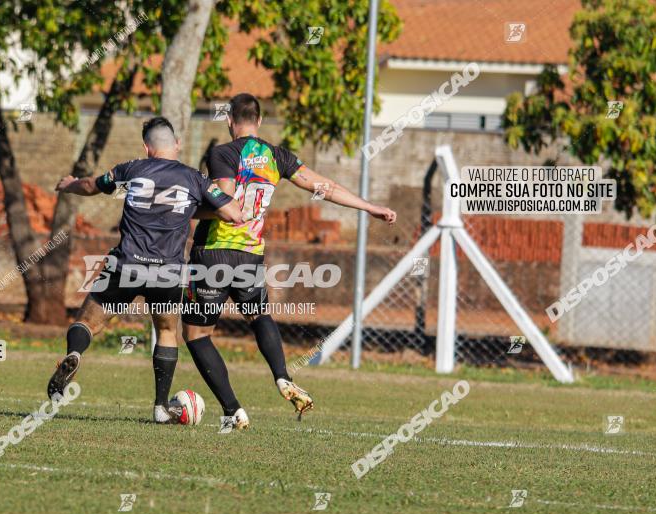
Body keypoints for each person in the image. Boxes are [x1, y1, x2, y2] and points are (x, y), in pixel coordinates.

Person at [182, 93, 397, 431]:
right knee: (258, 315)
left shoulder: (222, 153)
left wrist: (186, 210)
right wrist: (369, 207)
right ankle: (282, 376)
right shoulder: (275, 155)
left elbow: (225, 201)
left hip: (214, 252)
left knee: (196, 335)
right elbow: (324, 186)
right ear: (260, 122)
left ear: (229, 121)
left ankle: (233, 409)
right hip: (250, 255)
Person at [47, 116, 243, 424]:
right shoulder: (195, 179)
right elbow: (233, 213)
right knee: (166, 331)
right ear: (177, 144)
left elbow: (91, 185)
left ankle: (75, 354)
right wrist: (194, 206)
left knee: (87, 322)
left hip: (126, 263)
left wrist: (71, 185)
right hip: (167, 271)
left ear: (147, 148)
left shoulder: (131, 169)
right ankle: (160, 407)